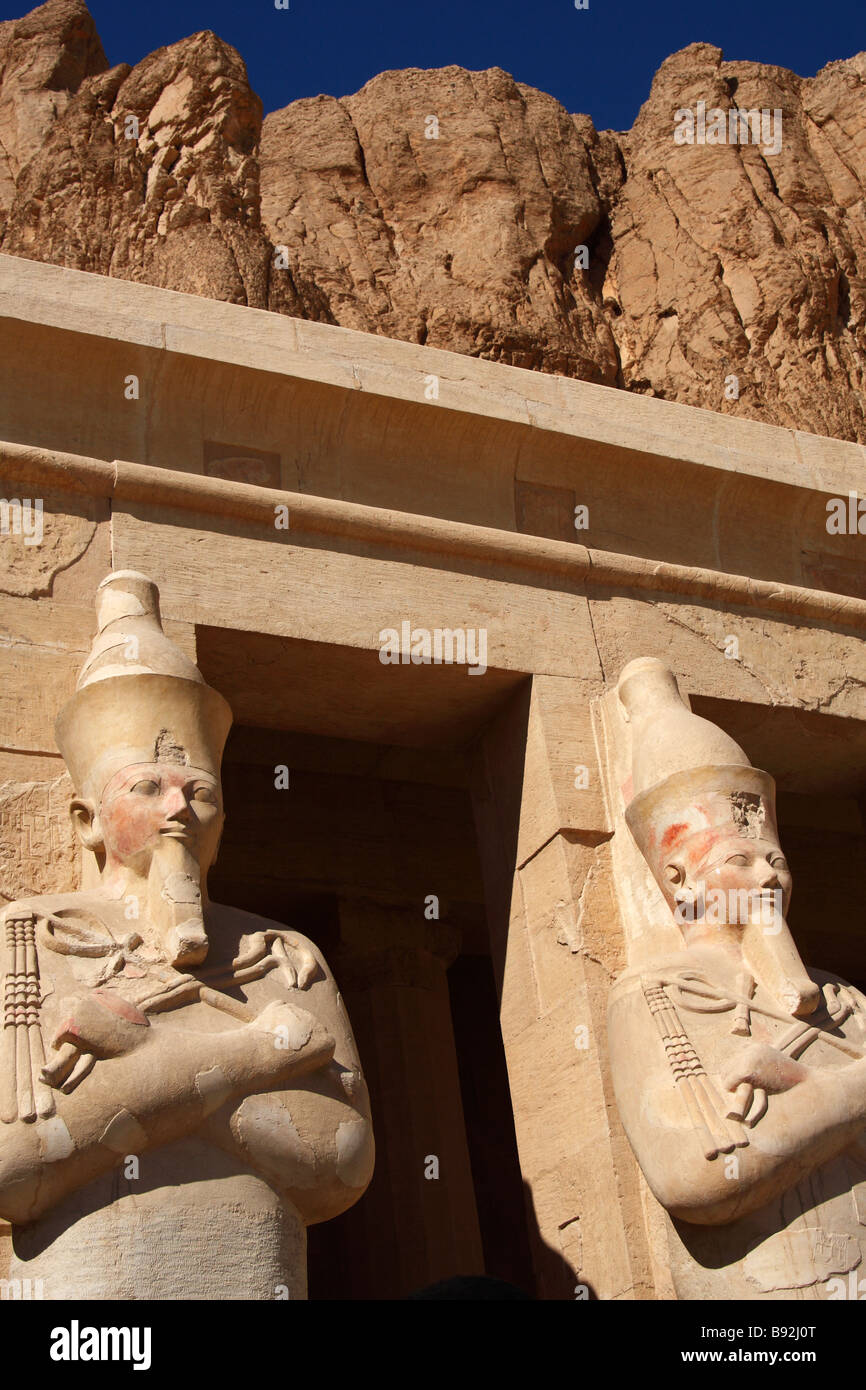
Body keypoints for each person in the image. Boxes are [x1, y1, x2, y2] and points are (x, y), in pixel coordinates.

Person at [0, 570, 374, 1300]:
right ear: (88, 821)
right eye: (147, 786)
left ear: (225, 821)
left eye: (200, 790)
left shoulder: (284, 955)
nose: (179, 807)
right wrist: (250, 1055)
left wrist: (140, 1071)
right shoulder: (28, 938)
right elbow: (16, 1162)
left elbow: (340, 1161)